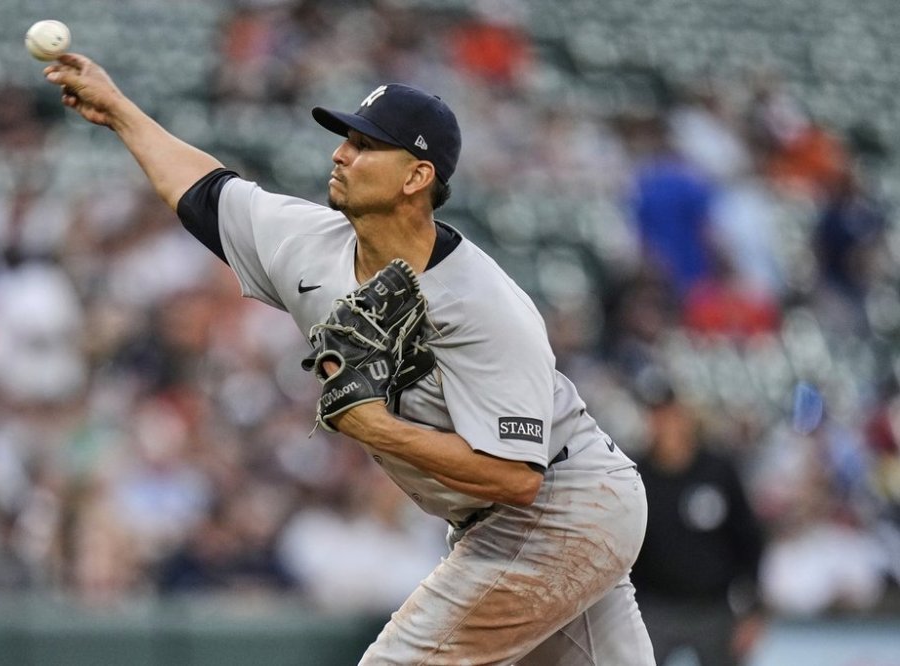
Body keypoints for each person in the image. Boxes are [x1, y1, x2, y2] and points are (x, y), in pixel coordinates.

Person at [44, 53, 654, 665]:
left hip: (565, 502)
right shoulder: (312, 245)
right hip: (511, 515)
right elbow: (207, 193)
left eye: (364, 145)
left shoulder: (485, 306)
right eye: (345, 139)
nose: (340, 154)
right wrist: (120, 112)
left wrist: (376, 428)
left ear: (417, 177)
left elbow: (518, 477)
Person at [629, 368, 766, 666]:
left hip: (714, 609)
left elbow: (749, 541)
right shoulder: (634, 475)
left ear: (686, 416)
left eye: (671, 414)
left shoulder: (717, 471)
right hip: (652, 608)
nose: (665, 424)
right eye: (656, 416)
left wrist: (753, 611)